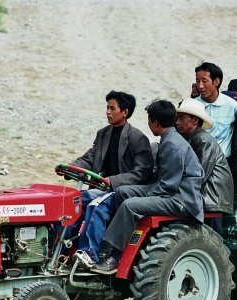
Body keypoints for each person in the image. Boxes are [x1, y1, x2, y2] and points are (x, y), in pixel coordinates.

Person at [92, 100, 204, 275]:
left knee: (131, 205)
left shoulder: (173, 144)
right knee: (122, 192)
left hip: (182, 199)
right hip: (168, 190)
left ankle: (115, 255)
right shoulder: (169, 139)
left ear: (155, 123)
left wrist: (143, 198)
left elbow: (168, 186)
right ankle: (117, 240)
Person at [68, 91, 153, 267]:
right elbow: (89, 158)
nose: (107, 112)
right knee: (71, 200)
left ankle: (89, 253)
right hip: (102, 188)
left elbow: (142, 172)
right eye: (107, 107)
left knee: (96, 205)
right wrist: (70, 167)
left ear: (125, 112)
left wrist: (113, 180)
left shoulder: (138, 138)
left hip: (122, 191)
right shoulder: (103, 134)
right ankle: (60, 249)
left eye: (112, 108)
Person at [176, 97, 234, 234]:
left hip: (212, 196)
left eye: (181, 118)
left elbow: (199, 175)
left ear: (195, 120)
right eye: (177, 118)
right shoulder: (192, 138)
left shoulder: (202, 139)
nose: (177, 122)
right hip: (205, 194)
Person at [194, 62, 237, 159]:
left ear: (216, 81)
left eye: (204, 81)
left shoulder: (232, 105)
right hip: (199, 161)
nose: (200, 86)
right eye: (198, 81)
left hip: (223, 162)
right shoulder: (193, 106)